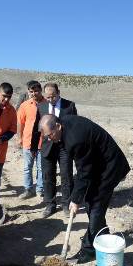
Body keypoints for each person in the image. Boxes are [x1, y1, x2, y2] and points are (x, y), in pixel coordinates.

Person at [39, 114, 130, 264]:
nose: (49, 139)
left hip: (109, 167)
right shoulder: (64, 125)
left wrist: (75, 200)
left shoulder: (76, 139)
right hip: (97, 164)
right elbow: (84, 170)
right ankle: (102, 235)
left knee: (95, 205)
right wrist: (77, 197)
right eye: (46, 136)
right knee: (90, 202)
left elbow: (83, 173)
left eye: (50, 135)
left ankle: (89, 251)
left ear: (58, 126)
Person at [38, 83, 77, 218]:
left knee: (66, 175)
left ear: (59, 92)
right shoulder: (41, 106)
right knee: (48, 176)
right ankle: (50, 205)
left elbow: (74, 126)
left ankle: (66, 204)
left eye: (53, 96)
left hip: (64, 147)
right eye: (48, 97)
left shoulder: (69, 105)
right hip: (47, 147)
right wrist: (32, 147)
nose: (51, 99)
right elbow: (37, 129)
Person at [17, 81, 47, 199]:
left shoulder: (47, 104)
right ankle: (28, 189)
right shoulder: (24, 105)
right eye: (31, 91)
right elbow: (20, 123)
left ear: (40, 91)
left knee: (41, 167)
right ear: (28, 92)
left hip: (42, 142)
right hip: (28, 142)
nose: (34, 93)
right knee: (27, 167)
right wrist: (19, 138)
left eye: (36, 91)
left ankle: (40, 189)